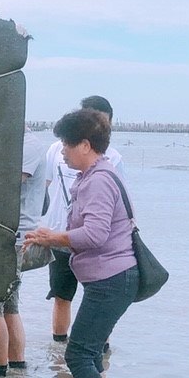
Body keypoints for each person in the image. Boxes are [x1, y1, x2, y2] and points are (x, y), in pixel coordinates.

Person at [25, 108, 136, 378]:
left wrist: (53, 237)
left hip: (112, 281)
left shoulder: (99, 180)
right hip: (112, 279)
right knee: (89, 353)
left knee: (77, 354)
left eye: (66, 145)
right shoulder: (97, 174)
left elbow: (96, 235)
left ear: (85, 145)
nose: (61, 151)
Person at [40, 96, 124, 344]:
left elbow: (117, 205)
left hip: (95, 243)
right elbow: (44, 188)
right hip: (59, 234)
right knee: (61, 294)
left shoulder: (113, 159)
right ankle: (59, 351)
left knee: (96, 297)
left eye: (101, 121)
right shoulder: (58, 150)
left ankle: (99, 347)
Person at [0, 129, 44, 376]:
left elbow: (9, 183)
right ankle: (15, 369)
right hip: (10, 234)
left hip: (10, 235)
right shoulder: (15, 141)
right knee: (8, 306)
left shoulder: (29, 144)